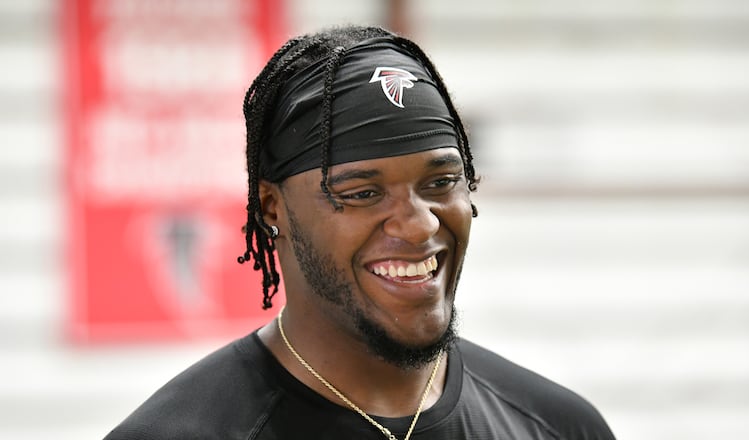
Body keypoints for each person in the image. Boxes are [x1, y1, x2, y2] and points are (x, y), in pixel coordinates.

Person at [105, 25, 616, 440]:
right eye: (363, 193)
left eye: (441, 182)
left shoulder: (558, 427)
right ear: (271, 208)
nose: (419, 224)